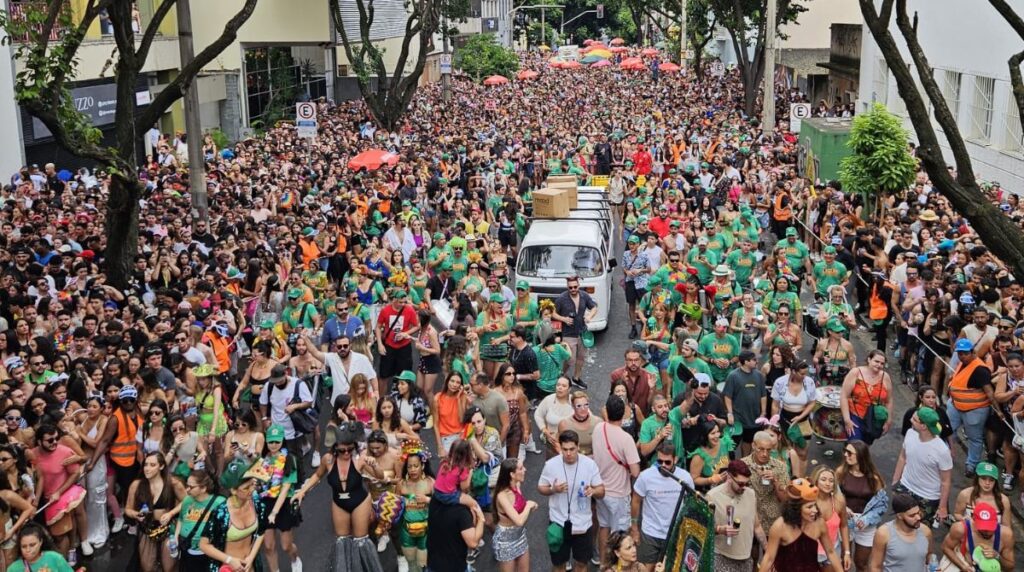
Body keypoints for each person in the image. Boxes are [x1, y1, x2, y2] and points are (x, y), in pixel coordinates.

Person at [292, 423, 380, 570]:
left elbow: (380, 475)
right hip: (339, 503)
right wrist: (302, 491)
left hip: (360, 501)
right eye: (342, 450)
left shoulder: (360, 458)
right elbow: (317, 475)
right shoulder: (328, 460)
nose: (346, 453)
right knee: (342, 541)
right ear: (335, 448)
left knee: (360, 540)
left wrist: (375, 464)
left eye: (350, 449)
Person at [538, 430, 606, 572]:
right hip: (558, 523)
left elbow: (601, 491)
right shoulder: (551, 465)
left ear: (578, 446)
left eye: (572, 449)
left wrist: (592, 491)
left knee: (581, 564)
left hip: (582, 523)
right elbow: (541, 488)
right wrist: (553, 490)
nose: (568, 453)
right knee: (558, 565)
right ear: (560, 447)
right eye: (565, 449)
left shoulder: (589, 464)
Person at [592, 395, 641, 567]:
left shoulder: (599, 428)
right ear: (624, 413)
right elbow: (635, 471)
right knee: (620, 534)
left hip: (600, 489)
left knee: (604, 527)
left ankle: (603, 564)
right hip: (618, 493)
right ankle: (617, 566)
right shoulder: (626, 438)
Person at [199, 458, 271, 572]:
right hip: (228, 568)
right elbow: (203, 545)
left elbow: (261, 532)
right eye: (246, 488)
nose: (252, 489)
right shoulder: (221, 513)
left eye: (252, 484)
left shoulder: (257, 504)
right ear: (233, 490)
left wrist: (251, 557)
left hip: (250, 566)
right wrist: (229, 560)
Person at [28, 425, 89, 559]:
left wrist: (59, 493)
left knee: (60, 534)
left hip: (63, 494)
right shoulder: (32, 454)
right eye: (50, 440)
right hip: (43, 500)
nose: (55, 442)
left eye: (56, 438)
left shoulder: (65, 451)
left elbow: (75, 474)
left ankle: (67, 557)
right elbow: (37, 478)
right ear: (39, 442)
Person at [631, 441, 693, 570]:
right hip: (650, 533)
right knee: (645, 568)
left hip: (675, 533)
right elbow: (636, 501)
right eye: (660, 461)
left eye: (667, 462)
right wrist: (634, 528)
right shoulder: (646, 476)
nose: (663, 465)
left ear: (675, 459)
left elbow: (691, 504)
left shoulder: (685, 478)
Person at [758, 479, 842, 572]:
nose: (815, 510)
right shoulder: (779, 526)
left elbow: (831, 552)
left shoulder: (819, 523)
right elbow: (769, 558)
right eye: (809, 507)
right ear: (796, 508)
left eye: (815, 505)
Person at [892, 406, 953, 526]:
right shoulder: (910, 433)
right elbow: (902, 457)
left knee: (921, 531)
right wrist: (896, 480)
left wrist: (942, 507)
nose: (910, 420)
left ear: (924, 426)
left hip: (928, 497)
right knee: (900, 526)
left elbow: (946, 481)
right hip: (905, 487)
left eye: (914, 420)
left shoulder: (942, 450)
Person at [125, 452, 185, 572]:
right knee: (147, 567)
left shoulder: (173, 483)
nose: (147, 468)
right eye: (146, 464)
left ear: (161, 466)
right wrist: (135, 515)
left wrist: (171, 513)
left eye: (152, 465)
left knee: (169, 567)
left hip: (167, 529)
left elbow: (187, 502)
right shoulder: (136, 485)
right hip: (146, 530)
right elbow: (127, 509)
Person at [947, 338, 998, 476]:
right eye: (960, 353)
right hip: (956, 405)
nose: (962, 356)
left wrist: (998, 411)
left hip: (975, 410)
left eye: (965, 353)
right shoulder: (962, 363)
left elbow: (989, 392)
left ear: (972, 352)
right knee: (946, 430)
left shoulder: (980, 369)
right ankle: (944, 455)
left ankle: (971, 464)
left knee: (974, 438)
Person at [836, 440, 888, 572]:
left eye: (850, 453)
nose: (845, 455)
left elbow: (882, 505)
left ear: (860, 455)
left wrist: (867, 519)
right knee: (844, 560)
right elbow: (832, 494)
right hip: (845, 522)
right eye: (845, 451)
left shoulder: (874, 479)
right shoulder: (841, 472)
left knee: (861, 563)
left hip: (866, 524)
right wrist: (842, 507)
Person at [256, 424, 303, 572]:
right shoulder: (262, 460)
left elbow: (285, 489)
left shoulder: (289, 459)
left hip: (283, 504)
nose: (274, 445)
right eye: (271, 442)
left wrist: (274, 513)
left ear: (283, 440)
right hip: (266, 501)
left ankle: (295, 558)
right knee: (269, 546)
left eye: (277, 441)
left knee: (286, 545)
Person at [707, 460, 765, 572]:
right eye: (740, 484)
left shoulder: (750, 494)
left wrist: (767, 549)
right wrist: (720, 529)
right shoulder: (712, 497)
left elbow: (756, 526)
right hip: (722, 558)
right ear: (729, 477)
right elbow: (703, 528)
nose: (744, 487)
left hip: (746, 559)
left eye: (747, 483)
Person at [173, 470, 226, 572]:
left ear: (203, 488)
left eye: (191, 487)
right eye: (187, 485)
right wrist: (176, 536)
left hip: (207, 554)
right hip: (187, 551)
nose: (187, 490)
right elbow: (181, 519)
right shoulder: (187, 500)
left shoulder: (219, 502)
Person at [939, 501, 1015, 572]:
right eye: (982, 528)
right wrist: (962, 566)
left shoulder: (1006, 535)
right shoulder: (960, 529)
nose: (987, 532)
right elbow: (946, 547)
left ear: (996, 522)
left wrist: (997, 556)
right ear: (974, 522)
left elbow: (1010, 567)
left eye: (990, 527)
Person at [492, 458, 539, 572]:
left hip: (520, 536)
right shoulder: (502, 496)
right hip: (505, 541)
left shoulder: (517, 485)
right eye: (521, 468)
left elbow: (520, 510)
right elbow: (519, 521)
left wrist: (529, 507)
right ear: (512, 474)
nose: (525, 470)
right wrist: (528, 505)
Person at [552, 276, 599, 387]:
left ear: (579, 285)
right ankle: (560, 375)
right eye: (570, 287)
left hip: (582, 332)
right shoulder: (562, 298)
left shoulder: (584, 296)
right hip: (568, 334)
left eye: (575, 286)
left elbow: (594, 307)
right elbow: (552, 313)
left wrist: (589, 316)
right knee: (570, 359)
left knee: (581, 357)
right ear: (567, 287)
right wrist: (564, 319)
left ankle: (576, 378)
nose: (573, 289)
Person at [840, 350, 894, 445]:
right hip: (855, 416)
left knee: (865, 447)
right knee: (855, 446)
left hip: (873, 419)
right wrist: (847, 420)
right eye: (876, 361)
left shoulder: (885, 377)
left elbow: (889, 401)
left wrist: (888, 420)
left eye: (882, 363)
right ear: (869, 359)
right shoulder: (856, 373)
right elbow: (844, 396)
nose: (879, 365)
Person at [867, 493, 931, 572]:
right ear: (899, 516)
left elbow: (929, 556)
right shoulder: (883, 534)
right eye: (912, 515)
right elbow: (875, 566)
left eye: (918, 513)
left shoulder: (926, 531)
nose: (918, 517)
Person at [723, 350, 767, 457]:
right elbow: (727, 396)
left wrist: (763, 412)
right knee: (731, 444)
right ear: (746, 362)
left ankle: (744, 462)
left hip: (754, 418)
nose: (756, 362)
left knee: (748, 442)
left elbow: (763, 395)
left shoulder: (759, 375)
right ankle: (731, 464)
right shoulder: (733, 376)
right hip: (738, 419)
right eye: (754, 360)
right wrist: (730, 413)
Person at [396, 443, 433, 572]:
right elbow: (395, 505)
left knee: (423, 566)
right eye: (409, 466)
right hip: (406, 530)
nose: (412, 469)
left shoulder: (430, 483)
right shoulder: (401, 484)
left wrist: (428, 499)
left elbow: (440, 505)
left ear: (422, 466)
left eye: (416, 466)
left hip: (426, 531)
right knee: (412, 566)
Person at [809, 465, 851, 570]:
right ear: (816, 481)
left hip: (831, 550)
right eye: (823, 479)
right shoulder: (807, 503)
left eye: (831, 481)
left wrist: (847, 552)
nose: (827, 483)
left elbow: (844, 526)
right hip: (809, 552)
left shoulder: (839, 501)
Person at [376, 291, 419, 390]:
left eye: (405, 302)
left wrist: (406, 333)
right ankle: (381, 400)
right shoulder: (385, 310)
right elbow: (378, 327)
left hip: (404, 347)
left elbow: (417, 326)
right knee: (383, 376)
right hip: (389, 346)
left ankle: (403, 399)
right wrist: (379, 344)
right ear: (394, 300)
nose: (403, 304)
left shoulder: (409, 310)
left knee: (405, 376)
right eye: (400, 302)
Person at [952, 461, 1011, 526]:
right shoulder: (965, 494)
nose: (987, 483)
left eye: (991, 480)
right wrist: (964, 519)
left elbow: (1007, 527)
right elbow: (957, 514)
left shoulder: (1003, 500)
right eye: (983, 478)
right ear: (977, 478)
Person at [6, 524, 74, 572]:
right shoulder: (13, 569)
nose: (28, 550)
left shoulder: (55, 558)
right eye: (24, 546)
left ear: (40, 542)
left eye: (32, 545)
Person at [535, 377, 574, 457]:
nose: (560, 388)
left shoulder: (574, 400)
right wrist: (544, 430)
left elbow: (586, 415)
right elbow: (538, 414)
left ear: (569, 389)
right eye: (558, 385)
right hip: (552, 443)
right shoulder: (548, 400)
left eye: (564, 386)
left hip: (572, 443)